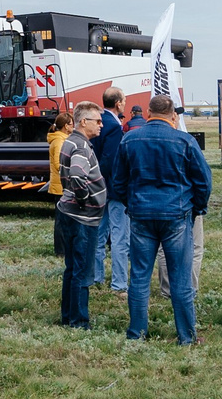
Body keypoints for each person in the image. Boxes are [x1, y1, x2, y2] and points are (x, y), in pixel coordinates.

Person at [113, 92, 213, 344]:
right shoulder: (185, 141)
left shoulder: (129, 139)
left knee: (139, 276)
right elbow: (203, 181)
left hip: (141, 214)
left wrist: (132, 204)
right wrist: (196, 208)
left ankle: (136, 333)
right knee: (180, 278)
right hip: (176, 214)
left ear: (147, 113)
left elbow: (119, 181)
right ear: (173, 116)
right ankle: (186, 336)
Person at [53, 102, 107, 328]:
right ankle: (79, 321)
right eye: (97, 121)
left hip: (69, 213)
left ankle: (68, 316)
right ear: (83, 122)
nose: (101, 125)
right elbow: (76, 175)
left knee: (72, 268)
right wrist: (84, 199)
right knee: (83, 272)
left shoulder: (70, 141)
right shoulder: (82, 147)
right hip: (82, 218)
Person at [97, 88, 136, 292]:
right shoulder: (113, 126)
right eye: (125, 100)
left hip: (98, 188)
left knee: (99, 235)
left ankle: (96, 276)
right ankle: (119, 282)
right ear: (119, 103)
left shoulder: (100, 121)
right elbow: (111, 160)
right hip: (113, 189)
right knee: (120, 237)